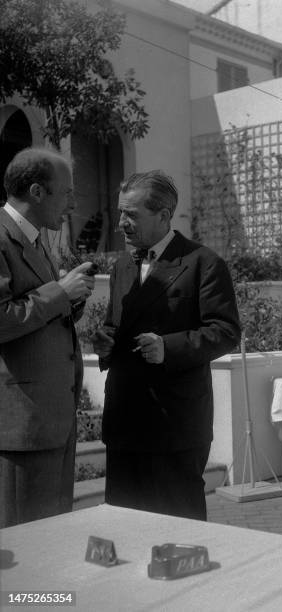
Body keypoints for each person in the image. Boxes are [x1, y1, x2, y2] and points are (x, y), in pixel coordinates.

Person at [92, 170, 241, 521]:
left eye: (131, 214)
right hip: (126, 421)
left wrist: (168, 347)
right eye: (120, 212)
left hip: (174, 425)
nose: (121, 223)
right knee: (125, 526)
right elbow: (117, 325)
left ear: (163, 215)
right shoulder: (122, 266)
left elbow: (225, 331)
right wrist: (104, 342)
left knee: (179, 530)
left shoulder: (203, 262)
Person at [0, 147, 96, 528]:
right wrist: (60, 292)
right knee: (28, 547)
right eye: (67, 192)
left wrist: (71, 300)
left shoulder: (36, 240)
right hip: (22, 427)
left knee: (53, 540)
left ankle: (49, 595)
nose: (73, 203)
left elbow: (33, 313)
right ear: (38, 192)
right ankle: (30, 596)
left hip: (51, 420)